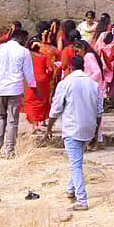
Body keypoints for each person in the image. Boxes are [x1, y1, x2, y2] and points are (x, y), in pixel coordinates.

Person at [46, 56, 102, 211]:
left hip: (72, 128)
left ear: (70, 68)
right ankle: (71, 190)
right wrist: (96, 133)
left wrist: (49, 128)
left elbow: (56, 108)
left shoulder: (65, 83)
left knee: (75, 165)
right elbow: (99, 112)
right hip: (88, 128)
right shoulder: (93, 84)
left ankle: (82, 200)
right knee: (77, 160)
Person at [0, 28, 38, 158]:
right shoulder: (24, 52)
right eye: (25, 39)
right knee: (13, 121)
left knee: (0, 117)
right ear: (20, 38)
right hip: (15, 90)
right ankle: (10, 151)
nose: (25, 42)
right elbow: (29, 74)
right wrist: (34, 88)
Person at [23, 37, 52, 134]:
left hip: (30, 80)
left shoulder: (26, 55)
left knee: (31, 101)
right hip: (43, 80)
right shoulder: (44, 56)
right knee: (41, 100)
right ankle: (39, 122)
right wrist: (48, 77)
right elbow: (50, 70)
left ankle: (35, 125)